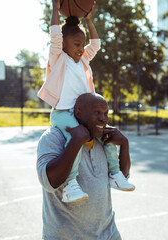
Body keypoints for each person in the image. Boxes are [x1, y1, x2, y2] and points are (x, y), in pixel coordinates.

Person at [37, 0, 134, 203]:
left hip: (84, 114)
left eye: (82, 45)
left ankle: (115, 174)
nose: (81, 49)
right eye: (77, 44)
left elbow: (96, 45)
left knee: (106, 135)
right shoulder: (58, 58)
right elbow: (55, 35)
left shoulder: (83, 61)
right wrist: (55, 8)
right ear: (64, 43)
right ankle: (70, 185)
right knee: (77, 138)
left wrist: (89, 20)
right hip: (64, 113)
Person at [37, 93, 131, 239]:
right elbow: (49, 182)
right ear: (78, 113)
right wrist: (76, 141)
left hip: (108, 234)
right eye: (97, 112)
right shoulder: (53, 137)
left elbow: (121, 176)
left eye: (106, 113)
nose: (103, 118)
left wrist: (124, 144)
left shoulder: (103, 140)